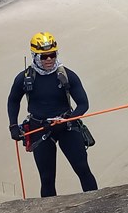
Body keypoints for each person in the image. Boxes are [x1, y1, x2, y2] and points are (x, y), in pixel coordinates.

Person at [7, 32, 97, 197]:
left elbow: (83, 103)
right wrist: (13, 126)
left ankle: (98, 206)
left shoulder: (67, 75)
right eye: (44, 56)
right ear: (35, 56)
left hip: (67, 127)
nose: (49, 59)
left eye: (52, 55)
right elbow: (13, 101)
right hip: (39, 129)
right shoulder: (24, 78)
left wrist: (67, 119)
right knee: (47, 178)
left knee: (82, 168)